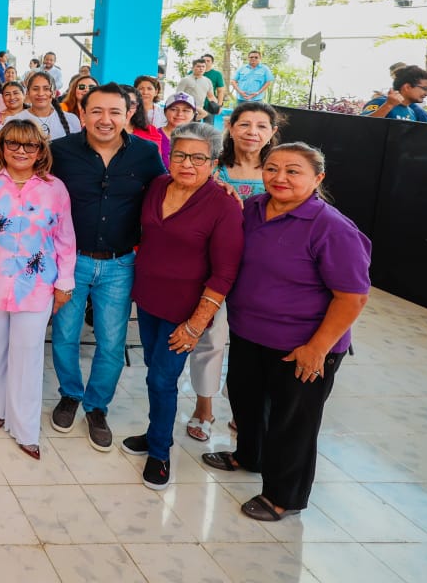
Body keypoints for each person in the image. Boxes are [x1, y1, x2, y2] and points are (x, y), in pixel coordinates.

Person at [202, 143, 371, 523]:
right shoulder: (253, 209)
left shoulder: (331, 227)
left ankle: (284, 495)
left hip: (305, 344)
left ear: (318, 178)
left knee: (293, 421)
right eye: (272, 168)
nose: (280, 177)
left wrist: (317, 348)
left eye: (293, 171)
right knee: (247, 402)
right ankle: (249, 456)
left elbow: (352, 297)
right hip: (249, 332)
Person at [119, 122, 242, 489]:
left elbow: (224, 274)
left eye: (198, 157)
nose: (187, 163)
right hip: (149, 300)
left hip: (187, 312)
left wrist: (195, 324)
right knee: (153, 370)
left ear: (214, 162)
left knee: (161, 378)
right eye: (180, 155)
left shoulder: (223, 205)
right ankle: (156, 432)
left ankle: (159, 452)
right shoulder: (157, 186)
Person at [49, 83, 167, 450]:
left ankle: (96, 406)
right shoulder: (60, 151)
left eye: (114, 112)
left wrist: (218, 190)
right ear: (81, 114)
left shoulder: (146, 154)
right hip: (70, 262)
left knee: (112, 342)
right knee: (66, 335)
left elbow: (171, 189)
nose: (105, 119)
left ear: (129, 113)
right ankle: (70, 394)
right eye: (96, 111)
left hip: (120, 264)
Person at [0, 119, 75, 459]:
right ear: (2, 146)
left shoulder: (55, 188)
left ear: (40, 151)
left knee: (28, 353)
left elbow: (65, 238)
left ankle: (24, 428)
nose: (21, 151)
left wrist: (64, 283)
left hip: (36, 285)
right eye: (13, 144)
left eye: (30, 145)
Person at [184, 101, 279, 442]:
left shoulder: (277, 172)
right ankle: (203, 407)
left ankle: (243, 407)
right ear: (230, 127)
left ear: (272, 132)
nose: (252, 132)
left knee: (253, 346)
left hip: (262, 273)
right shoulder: (214, 170)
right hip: (217, 269)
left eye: (261, 126)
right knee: (210, 338)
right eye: (245, 124)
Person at [7, 71, 80, 140]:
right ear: (28, 93)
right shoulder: (15, 120)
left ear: (54, 93)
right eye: (35, 89)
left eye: (46, 89)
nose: (41, 93)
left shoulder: (71, 119)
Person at [361, 65, 427, 121]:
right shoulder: (381, 102)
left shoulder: (412, 112)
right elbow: (361, 125)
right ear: (407, 87)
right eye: (425, 89)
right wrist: (389, 105)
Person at [200, 54, 227, 121]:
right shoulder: (192, 72)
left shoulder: (217, 74)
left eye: (208, 61)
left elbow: (220, 91)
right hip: (196, 103)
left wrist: (219, 106)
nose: (205, 62)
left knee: (208, 127)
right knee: (192, 127)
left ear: (212, 63)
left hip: (210, 104)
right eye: (204, 60)